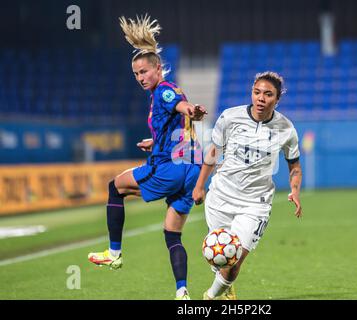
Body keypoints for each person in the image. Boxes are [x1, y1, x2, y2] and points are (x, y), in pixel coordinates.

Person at [88, 15, 207, 300]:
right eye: (136, 74)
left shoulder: (164, 92)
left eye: (144, 71)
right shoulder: (169, 89)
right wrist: (155, 142)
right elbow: (177, 126)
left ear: (157, 68)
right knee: (172, 234)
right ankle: (182, 292)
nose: (141, 78)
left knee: (114, 186)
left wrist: (192, 110)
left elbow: (180, 107)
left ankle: (114, 253)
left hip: (171, 168)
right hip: (192, 171)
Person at [192, 71, 302, 300]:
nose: (261, 98)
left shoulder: (286, 129)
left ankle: (210, 297)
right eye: (257, 92)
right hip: (221, 196)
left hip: (255, 203)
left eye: (268, 94)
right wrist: (200, 185)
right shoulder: (230, 117)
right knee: (220, 255)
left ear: (277, 99)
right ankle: (224, 286)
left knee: (235, 258)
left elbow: (294, 167)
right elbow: (213, 152)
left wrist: (294, 191)